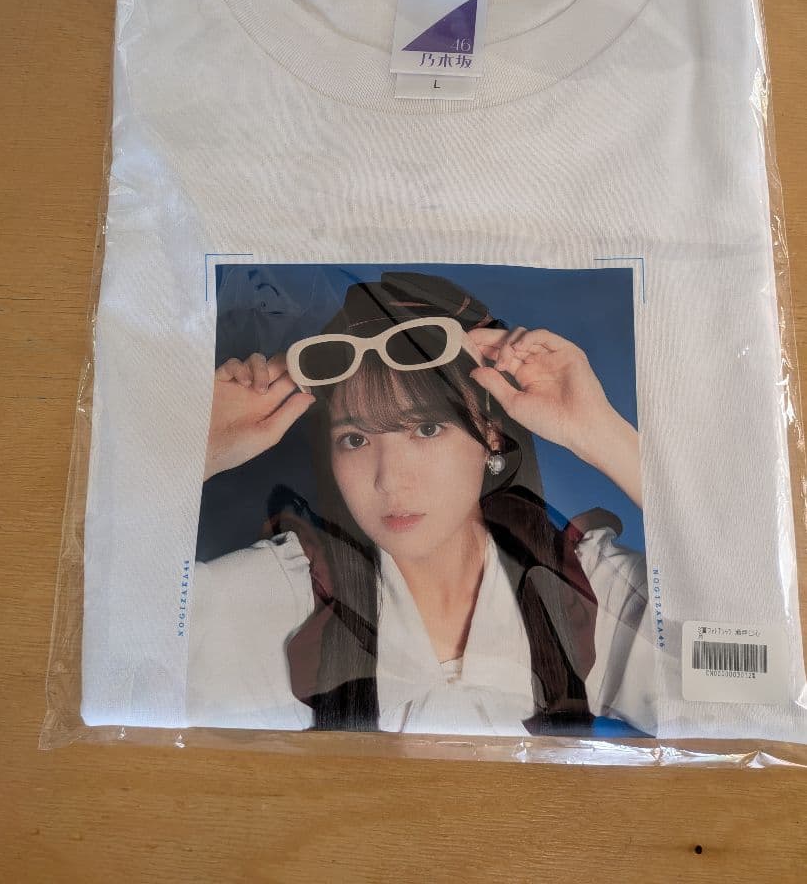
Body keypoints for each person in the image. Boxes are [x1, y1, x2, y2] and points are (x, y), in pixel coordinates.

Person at [188, 272, 656, 736]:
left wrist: (599, 432)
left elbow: (704, 680)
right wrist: (196, 447)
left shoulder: (578, 592)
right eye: (355, 439)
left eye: (426, 429)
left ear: (491, 433)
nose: (390, 479)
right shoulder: (288, 597)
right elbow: (144, 668)